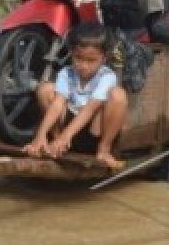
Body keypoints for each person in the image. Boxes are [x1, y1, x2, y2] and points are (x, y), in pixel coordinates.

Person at [23, 22, 128, 169]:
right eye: (79, 58)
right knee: (45, 89)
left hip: (93, 131)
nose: (83, 65)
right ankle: (57, 142)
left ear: (103, 59)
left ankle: (104, 149)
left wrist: (66, 136)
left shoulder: (107, 76)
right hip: (67, 128)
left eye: (91, 60)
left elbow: (90, 109)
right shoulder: (66, 73)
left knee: (118, 95)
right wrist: (40, 135)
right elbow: (57, 105)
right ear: (71, 53)